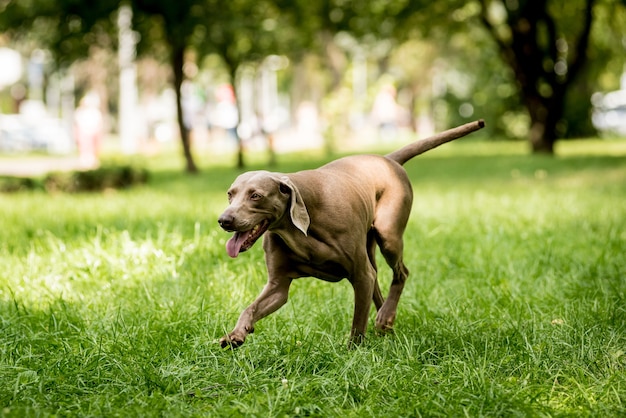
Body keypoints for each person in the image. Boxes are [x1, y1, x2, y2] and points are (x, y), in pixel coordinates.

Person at [74, 92, 103, 168]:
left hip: (91, 132)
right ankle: (85, 161)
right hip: (84, 132)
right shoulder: (80, 112)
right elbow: (77, 125)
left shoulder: (95, 112)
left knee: (92, 150)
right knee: (85, 149)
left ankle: (91, 161)